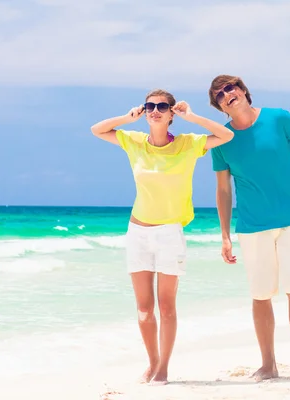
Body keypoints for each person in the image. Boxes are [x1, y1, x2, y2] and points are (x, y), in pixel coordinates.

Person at [91, 89, 234, 385]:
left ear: (171, 114)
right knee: (144, 309)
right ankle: (152, 362)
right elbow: (97, 130)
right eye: (150, 106)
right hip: (138, 232)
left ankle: (164, 367)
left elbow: (226, 136)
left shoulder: (187, 144)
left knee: (167, 307)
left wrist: (191, 116)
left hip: (170, 233)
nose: (155, 110)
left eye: (161, 107)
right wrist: (127, 117)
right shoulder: (134, 142)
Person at [208, 75, 290, 382]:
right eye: (219, 95)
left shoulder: (278, 118)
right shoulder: (222, 141)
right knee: (260, 296)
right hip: (251, 226)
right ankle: (268, 364)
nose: (226, 94)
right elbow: (223, 190)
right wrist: (224, 235)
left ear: (243, 90)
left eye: (230, 88)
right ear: (220, 107)